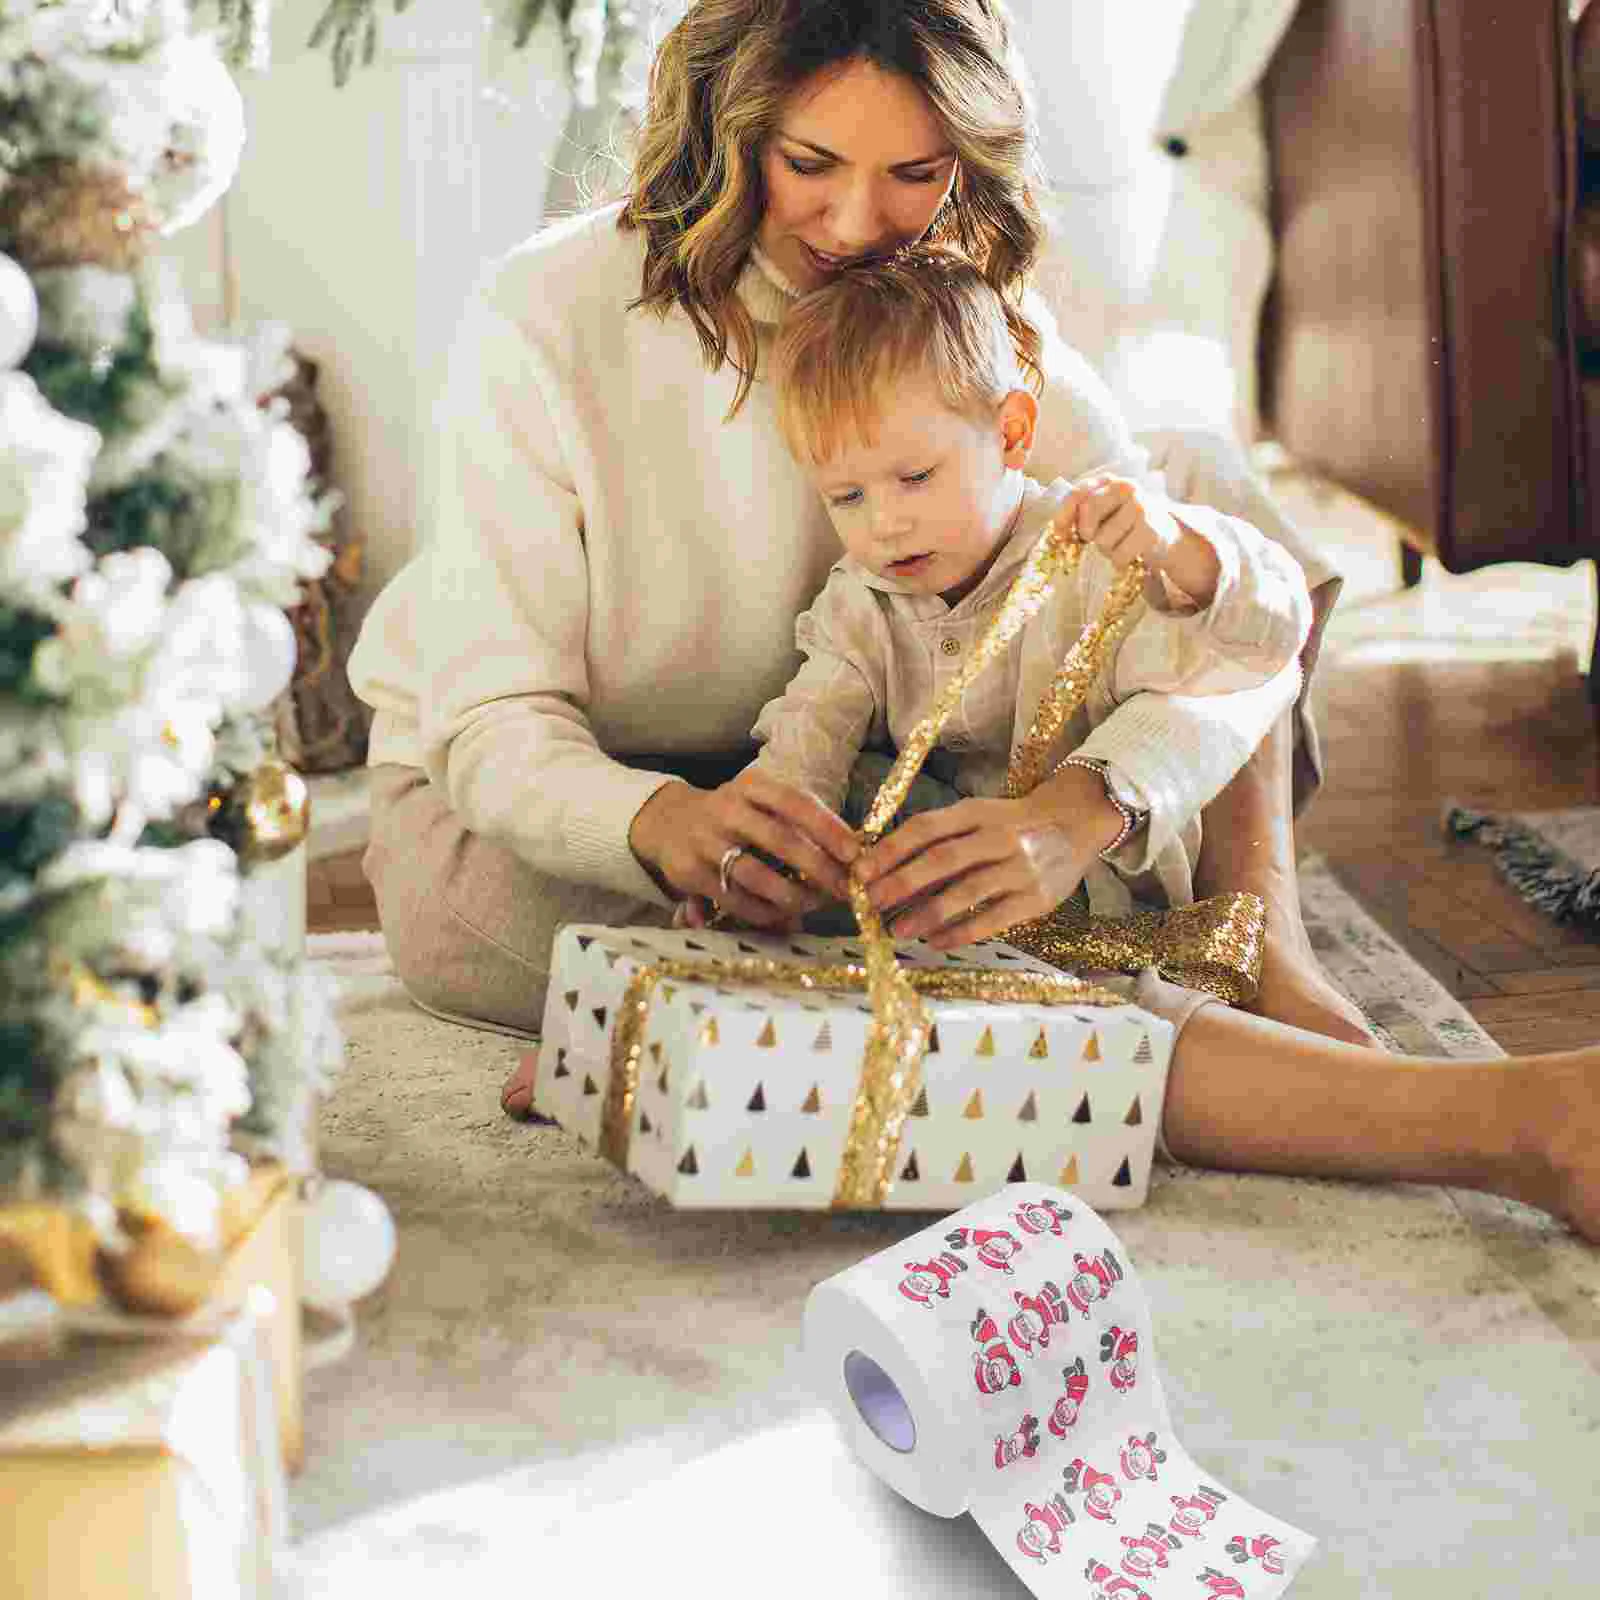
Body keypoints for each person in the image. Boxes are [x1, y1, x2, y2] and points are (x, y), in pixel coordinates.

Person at [344, 0, 1597, 1243]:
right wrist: (661, 822)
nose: (854, 225)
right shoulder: (545, 315)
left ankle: (1253, 942)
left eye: (914, 174)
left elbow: (1207, 623)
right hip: (543, 808)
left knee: (1197, 504)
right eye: (809, 164)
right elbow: (489, 721)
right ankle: (1500, 1119)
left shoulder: (948, 294)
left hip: (858, 774)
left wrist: (1074, 816)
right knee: (956, 984)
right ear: (732, 134)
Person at [691, 246, 1311, 946]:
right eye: (849, 496)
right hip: (949, 896)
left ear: (1011, 433)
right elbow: (809, 738)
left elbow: (1263, 647)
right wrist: (757, 859)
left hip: (1103, 893)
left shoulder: (1090, 553)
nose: (885, 523)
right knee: (841, 797)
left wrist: (1180, 548)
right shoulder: (861, 604)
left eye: (916, 476)